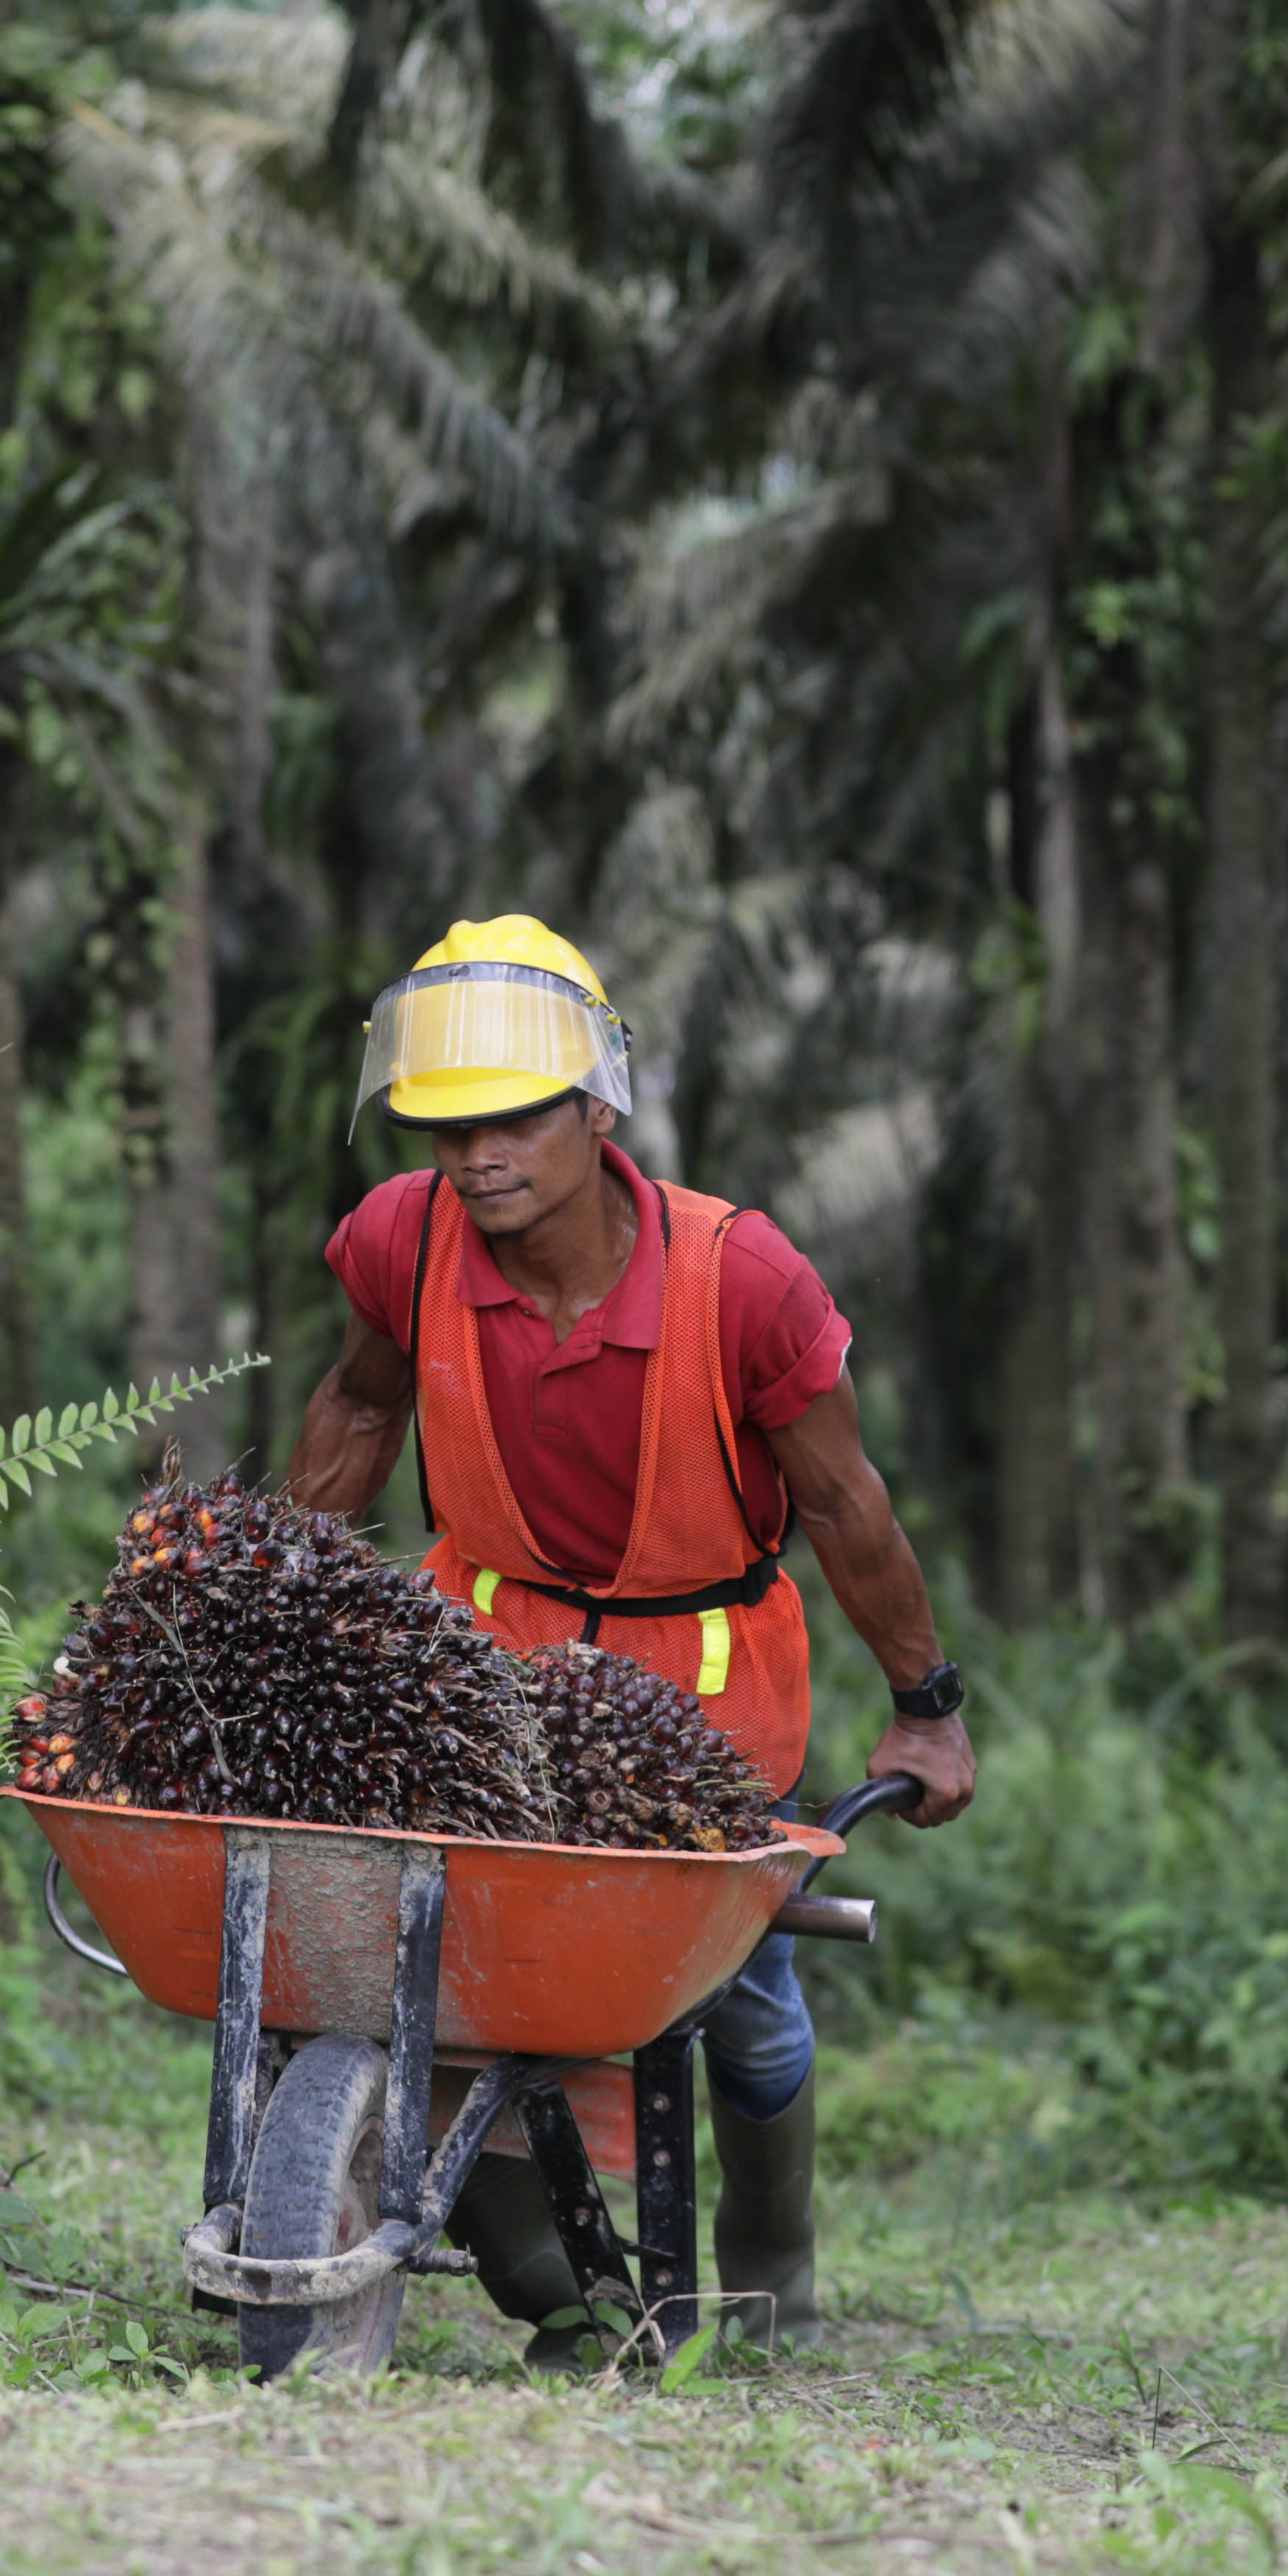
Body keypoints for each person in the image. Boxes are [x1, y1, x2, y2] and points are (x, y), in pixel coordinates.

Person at [283, 915, 978, 2362]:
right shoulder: (404, 1241)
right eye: (450, 1123)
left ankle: (771, 2253)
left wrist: (926, 1698)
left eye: (517, 1119)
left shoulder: (745, 1280)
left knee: (735, 1994)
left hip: (707, 1682)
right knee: (465, 1971)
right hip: (485, 1666)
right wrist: (289, 1599)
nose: (480, 1155)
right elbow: (357, 1409)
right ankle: (577, 2291)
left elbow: (846, 1504)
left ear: (597, 1106)